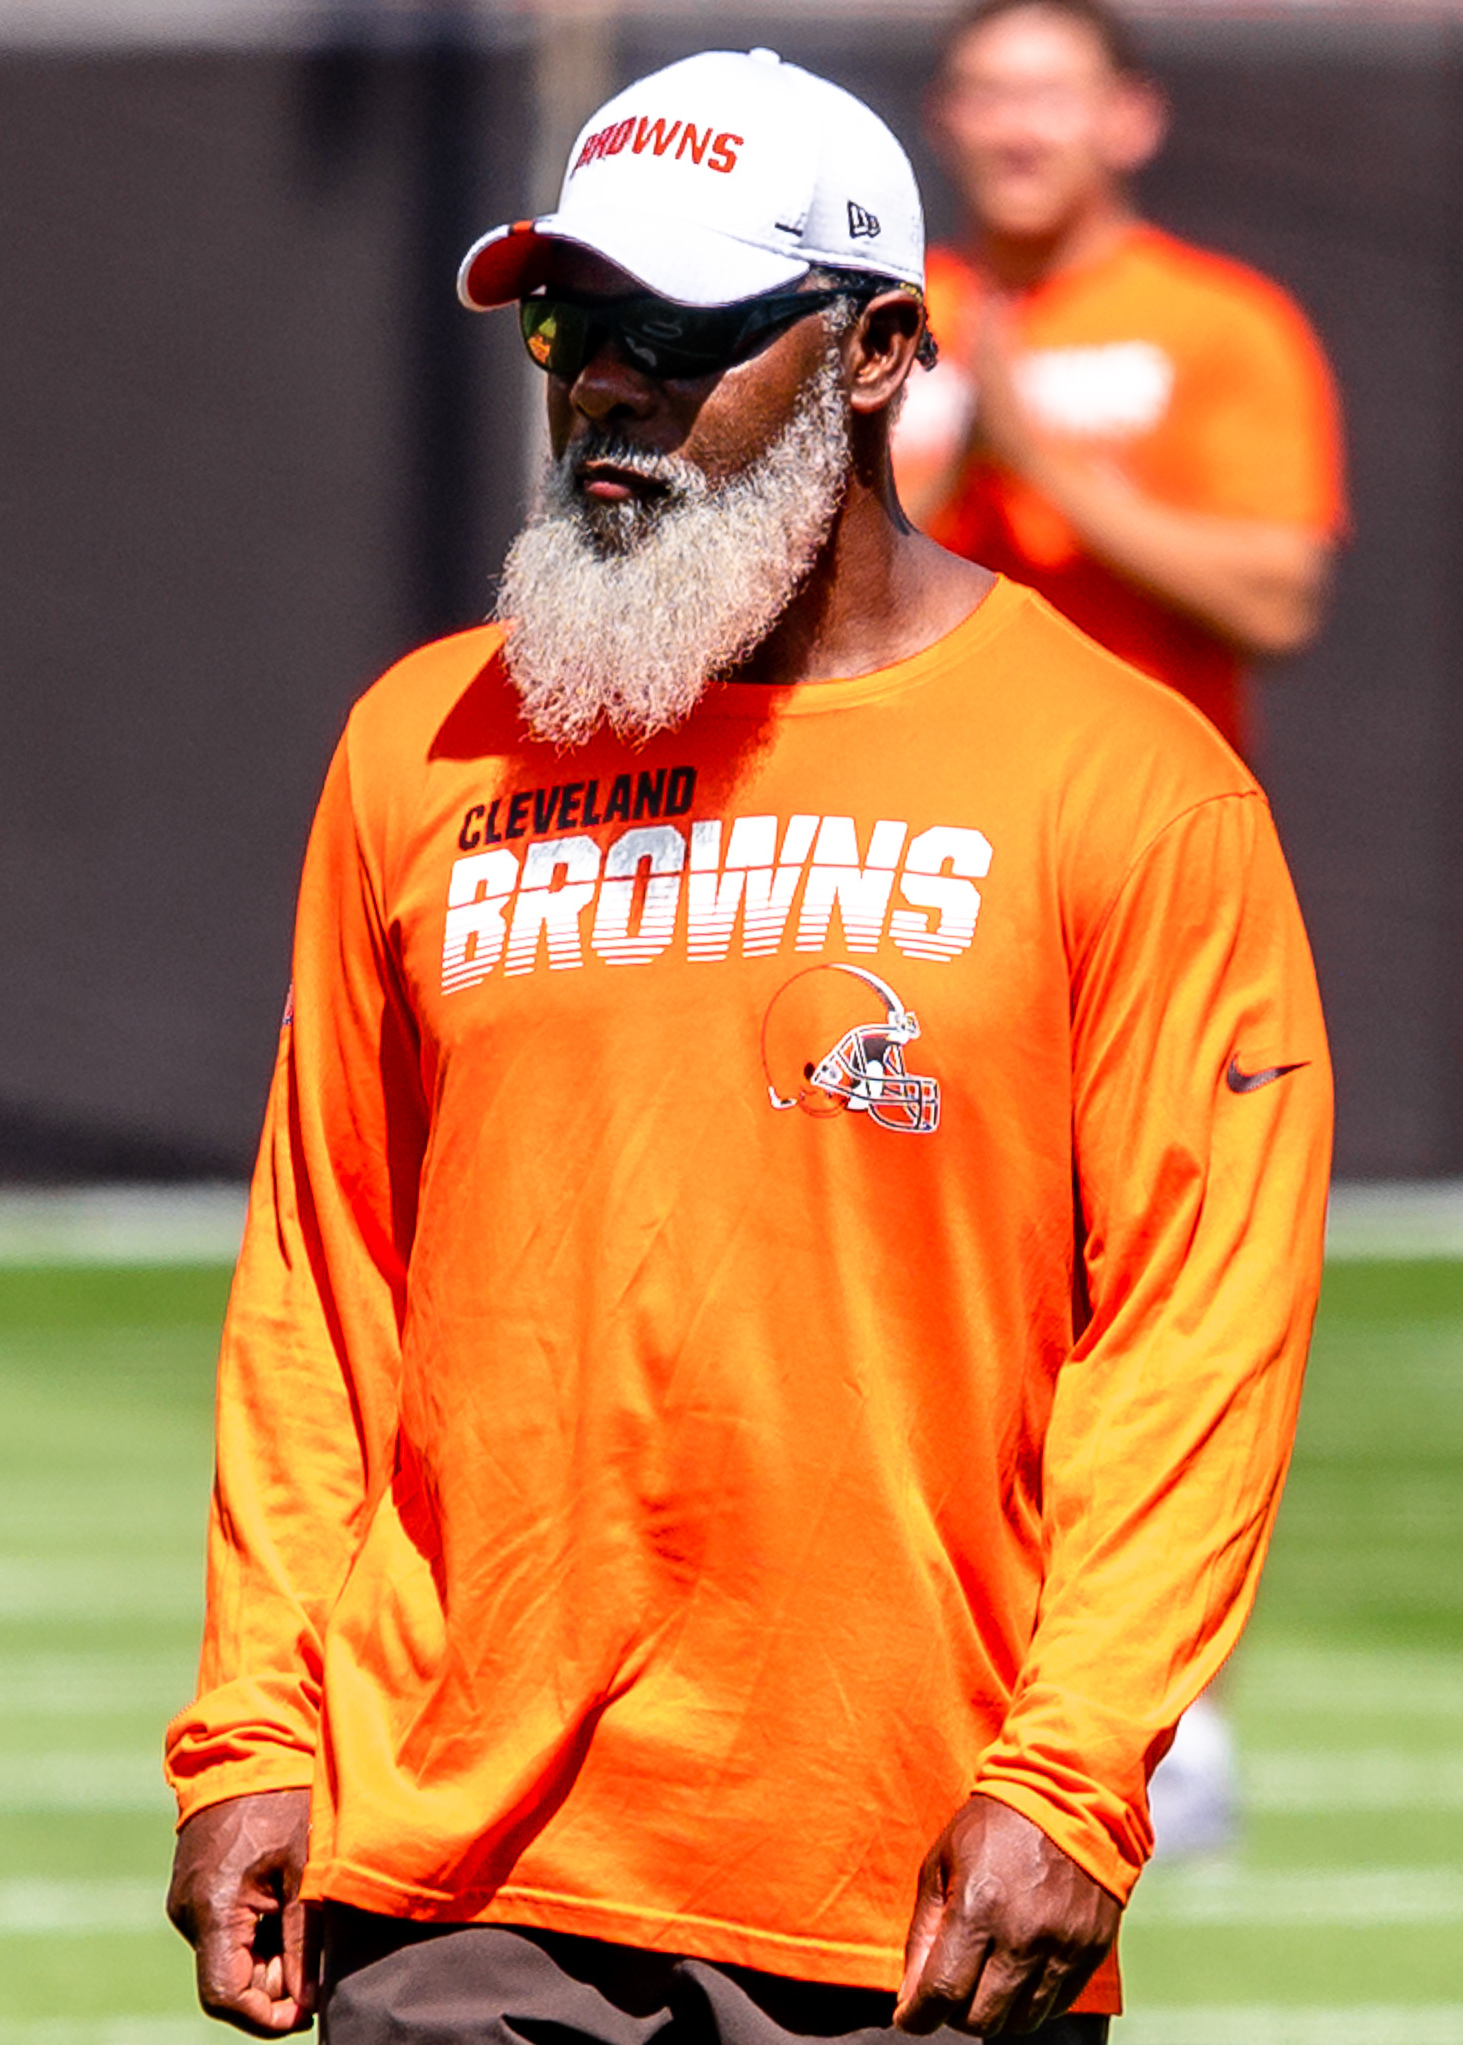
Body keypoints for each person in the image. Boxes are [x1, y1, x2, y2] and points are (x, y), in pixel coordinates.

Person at [163, 46, 1331, 2045]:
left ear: (876, 349)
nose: (601, 381)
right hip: (445, 1866)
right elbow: (321, 1277)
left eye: (676, 330)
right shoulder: (417, 744)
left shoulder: (1129, 784)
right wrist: (251, 1720)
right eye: (567, 322)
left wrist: (1070, 1767)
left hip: (897, 1890)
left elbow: (1190, 1328)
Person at [894, 0, 1346, 758]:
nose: (1018, 134)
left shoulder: (1224, 319)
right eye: (987, 97)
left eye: (1051, 98)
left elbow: (1278, 608)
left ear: (1130, 118)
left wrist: (1037, 467)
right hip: (917, 809)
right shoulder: (881, 322)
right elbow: (795, 599)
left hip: (1135, 803)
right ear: (941, 120)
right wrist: (959, 469)